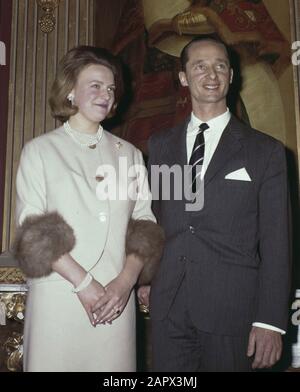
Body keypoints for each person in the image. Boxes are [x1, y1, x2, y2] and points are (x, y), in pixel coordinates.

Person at [145, 36, 291, 372]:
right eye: (200, 66)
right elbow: (156, 219)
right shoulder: (161, 145)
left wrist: (270, 321)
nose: (211, 74)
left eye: (220, 66)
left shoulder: (265, 151)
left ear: (231, 75)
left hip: (233, 310)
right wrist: (146, 279)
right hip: (169, 307)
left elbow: (276, 241)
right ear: (183, 77)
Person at [13, 46, 163, 372]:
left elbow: (144, 224)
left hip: (114, 301)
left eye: (110, 88)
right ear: (71, 91)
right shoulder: (40, 151)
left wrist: (125, 283)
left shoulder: (130, 155)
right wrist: (84, 284)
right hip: (60, 296)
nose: (105, 94)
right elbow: (32, 227)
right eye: (95, 85)